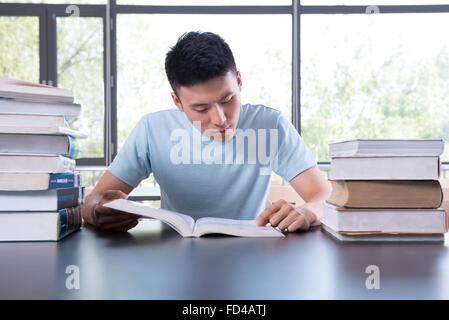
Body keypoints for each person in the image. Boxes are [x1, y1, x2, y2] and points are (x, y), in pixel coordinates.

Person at [81, 31, 331, 232]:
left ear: (239, 82)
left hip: (252, 253)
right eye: (200, 108)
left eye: (227, 99)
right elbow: (93, 200)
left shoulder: (270, 124)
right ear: (177, 102)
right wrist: (96, 211)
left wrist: (309, 211)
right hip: (173, 256)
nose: (220, 119)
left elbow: (324, 197)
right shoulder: (152, 129)